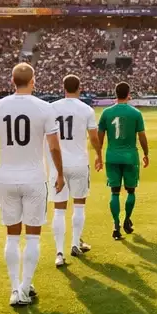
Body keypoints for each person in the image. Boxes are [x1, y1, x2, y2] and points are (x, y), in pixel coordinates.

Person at [0, 63, 65, 306]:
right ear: (33, 81)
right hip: (34, 177)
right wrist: (60, 174)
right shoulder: (45, 107)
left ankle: (14, 289)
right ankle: (24, 287)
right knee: (32, 237)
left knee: (11, 237)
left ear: (12, 81)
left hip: (6, 178)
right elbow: (53, 146)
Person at [49, 74, 100, 267]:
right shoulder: (86, 109)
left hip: (58, 164)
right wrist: (99, 155)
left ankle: (59, 253)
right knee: (79, 205)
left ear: (63, 87)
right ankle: (75, 244)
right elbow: (94, 137)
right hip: (79, 162)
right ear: (79, 88)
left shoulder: (52, 108)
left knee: (59, 209)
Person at [98, 82, 149, 239]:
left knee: (114, 192)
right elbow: (142, 136)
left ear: (115, 93)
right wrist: (146, 154)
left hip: (112, 156)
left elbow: (99, 136)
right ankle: (127, 220)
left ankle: (115, 225)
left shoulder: (106, 113)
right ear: (129, 94)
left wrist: (98, 155)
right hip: (130, 157)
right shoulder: (135, 113)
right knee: (131, 190)